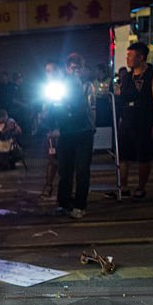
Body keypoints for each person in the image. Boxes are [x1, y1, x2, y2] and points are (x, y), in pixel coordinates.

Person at [115, 42, 153, 199]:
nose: (127, 58)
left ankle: (141, 187)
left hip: (144, 122)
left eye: (131, 55)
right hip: (127, 122)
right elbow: (121, 98)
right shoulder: (127, 77)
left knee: (144, 156)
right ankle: (123, 186)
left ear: (141, 57)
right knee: (123, 156)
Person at [50, 54, 95, 219]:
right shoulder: (61, 85)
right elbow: (55, 107)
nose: (75, 71)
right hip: (66, 132)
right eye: (72, 68)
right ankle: (64, 203)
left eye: (78, 68)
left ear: (83, 69)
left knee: (82, 170)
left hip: (84, 132)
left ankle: (80, 205)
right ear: (67, 69)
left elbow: (83, 108)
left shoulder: (87, 86)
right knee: (65, 170)